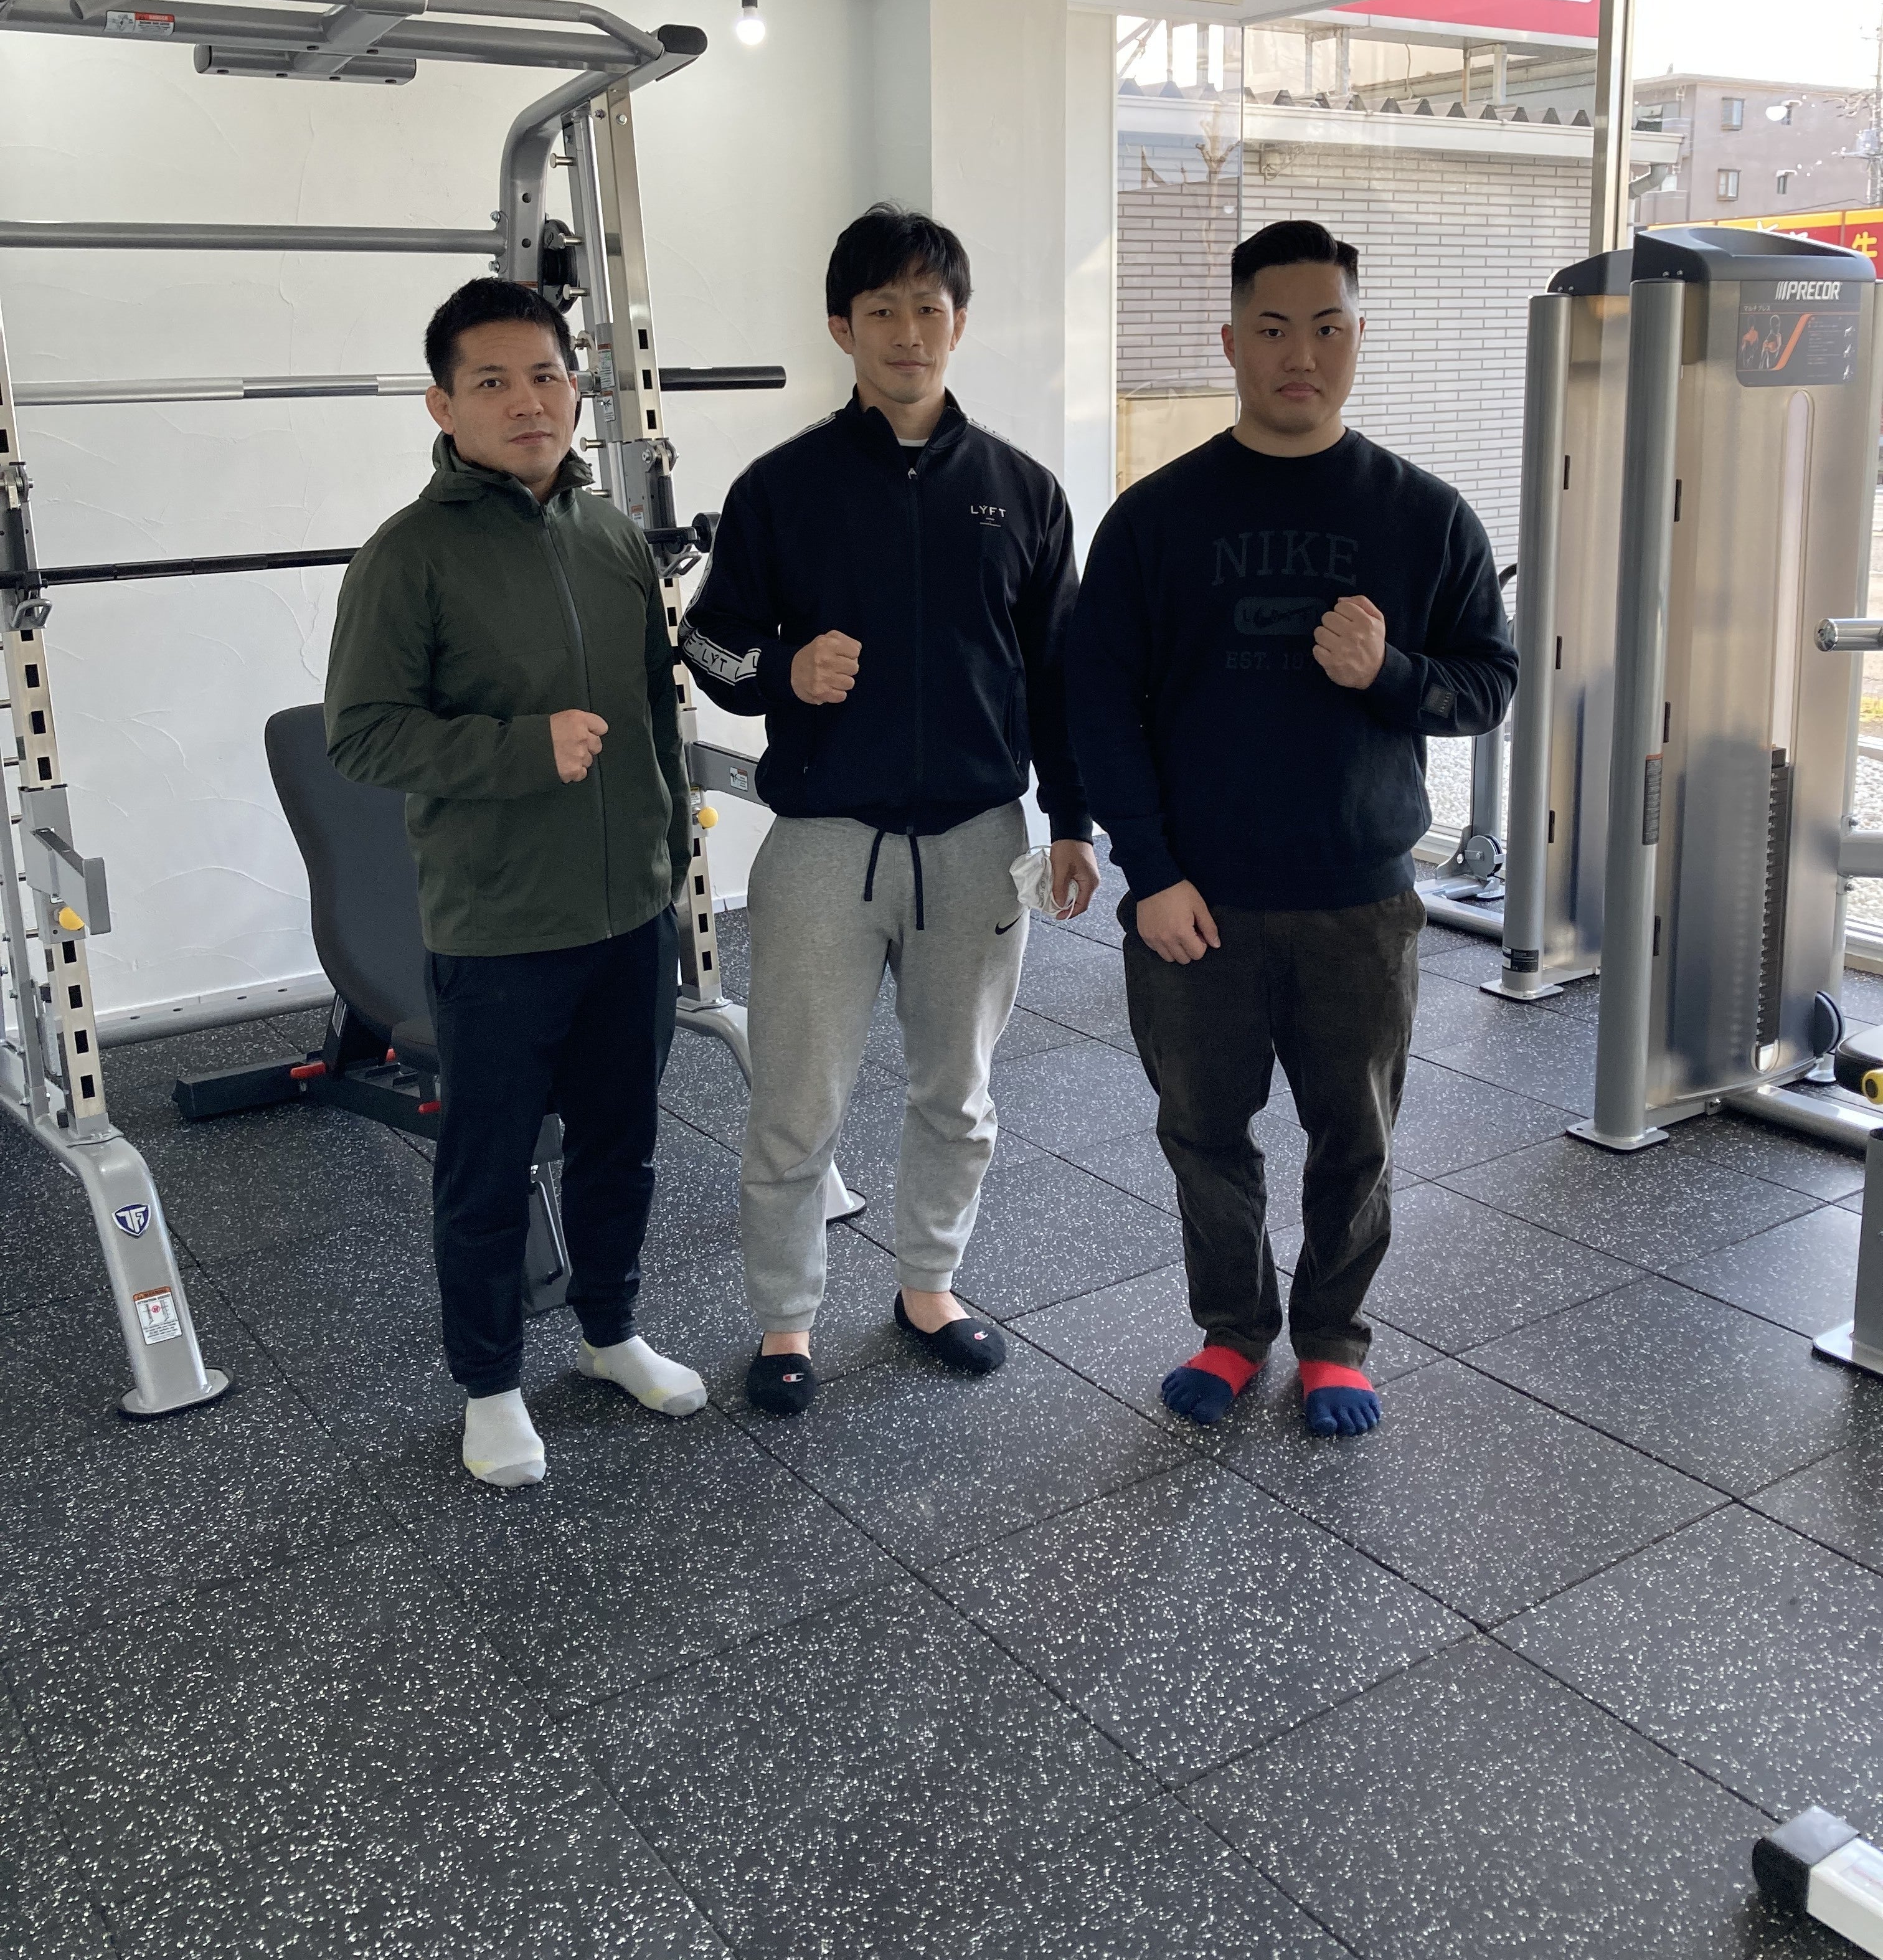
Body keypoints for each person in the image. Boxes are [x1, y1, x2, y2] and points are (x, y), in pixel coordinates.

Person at [1067, 219, 1517, 1436]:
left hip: (1360, 900)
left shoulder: (1426, 516)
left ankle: (1331, 1337)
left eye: (1326, 328)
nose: (1300, 354)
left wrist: (1391, 673)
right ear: (1231, 342)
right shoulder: (1156, 519)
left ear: (1360, 337)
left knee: (1354, 1138)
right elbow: (1098, 705)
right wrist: (1150, 870)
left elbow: (1490, 685)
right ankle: (1232, 1328)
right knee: (1203, 1131)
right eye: (1273, 328)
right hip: (1195, 901)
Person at [679, 204, 1100, 1415]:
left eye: (929, 307)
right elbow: (707, 641)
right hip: (825, 844)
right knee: (795, 1100)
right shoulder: (783, 488)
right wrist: (783, 669)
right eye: (882, 310)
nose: (908, 331)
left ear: (959, 323)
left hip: (980, 841)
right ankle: (786, 1320)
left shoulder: (1022, 492)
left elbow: (1063, 676)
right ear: (841, 328)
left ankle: (930, 1289)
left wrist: (1074, 822)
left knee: (958, 1092)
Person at [326, 278, 706, 1488]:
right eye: (491, 381)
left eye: (545, 375)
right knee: (488, 1170)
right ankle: (490, 1386)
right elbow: (362, 736)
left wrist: (670, 855)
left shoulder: (611, 539)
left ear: (576, 388)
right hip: (497, 925)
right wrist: (520, 750)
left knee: (621, 1145)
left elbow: (655, 714)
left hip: (629, 913)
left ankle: (609, 1332)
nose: (526, 401)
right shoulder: (407, 558)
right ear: (443, 406)